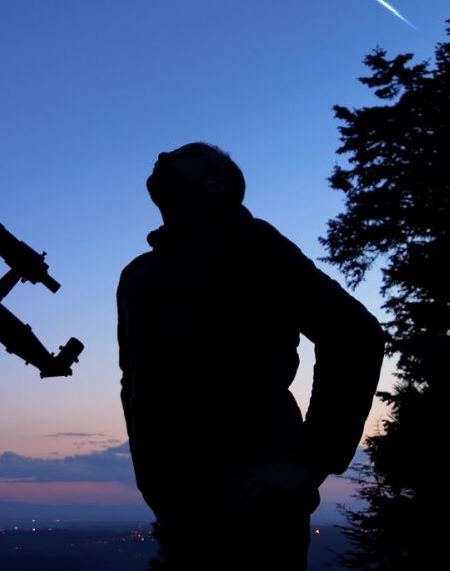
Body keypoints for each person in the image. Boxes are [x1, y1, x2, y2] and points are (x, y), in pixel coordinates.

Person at [118, 142, 384, 569]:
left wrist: (309, 463)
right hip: (179, 513)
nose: (164, 155)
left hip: (255, 510)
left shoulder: (251, 244)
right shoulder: (136, 276)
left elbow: (355, 334)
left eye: (185, 154)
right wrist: (150, 480)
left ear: (217, 184)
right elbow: (133, 382)